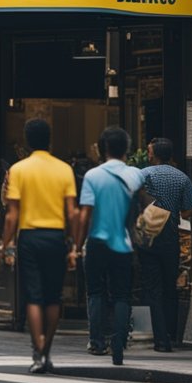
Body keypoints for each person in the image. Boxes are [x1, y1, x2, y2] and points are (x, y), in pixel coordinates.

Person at [0, 118, 78, 374]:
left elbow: (12, 214)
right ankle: (47, 349)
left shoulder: (19, 170)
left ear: (27, 141)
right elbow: (72, 212)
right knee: (53, 297)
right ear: (50, 140)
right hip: (55, 237)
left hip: (29, 237)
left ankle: (37, 347)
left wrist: (5, 243)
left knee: (33, 295)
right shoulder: (64, 169)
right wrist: (74, 245)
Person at [75, 126, 145, 366]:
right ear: (127, 148)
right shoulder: (136, 175)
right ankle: (120, 341)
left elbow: (85, 215)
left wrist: (77, 244)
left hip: (97, 242)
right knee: (122, 295)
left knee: (95, 292)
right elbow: (142, 206)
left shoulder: (93, 176)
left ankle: (97, 342)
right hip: (123, 244)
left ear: (102, 148)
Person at [139, 138, 192, 352]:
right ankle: (173, 335)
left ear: (154, 154)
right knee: (169, 287)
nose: (147, 155)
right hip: (171, 237)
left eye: (149, 151)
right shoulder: (182, 177)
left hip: (149, 235)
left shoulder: (144, 175)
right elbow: (189, 210)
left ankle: (160, 339)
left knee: (153, 288)